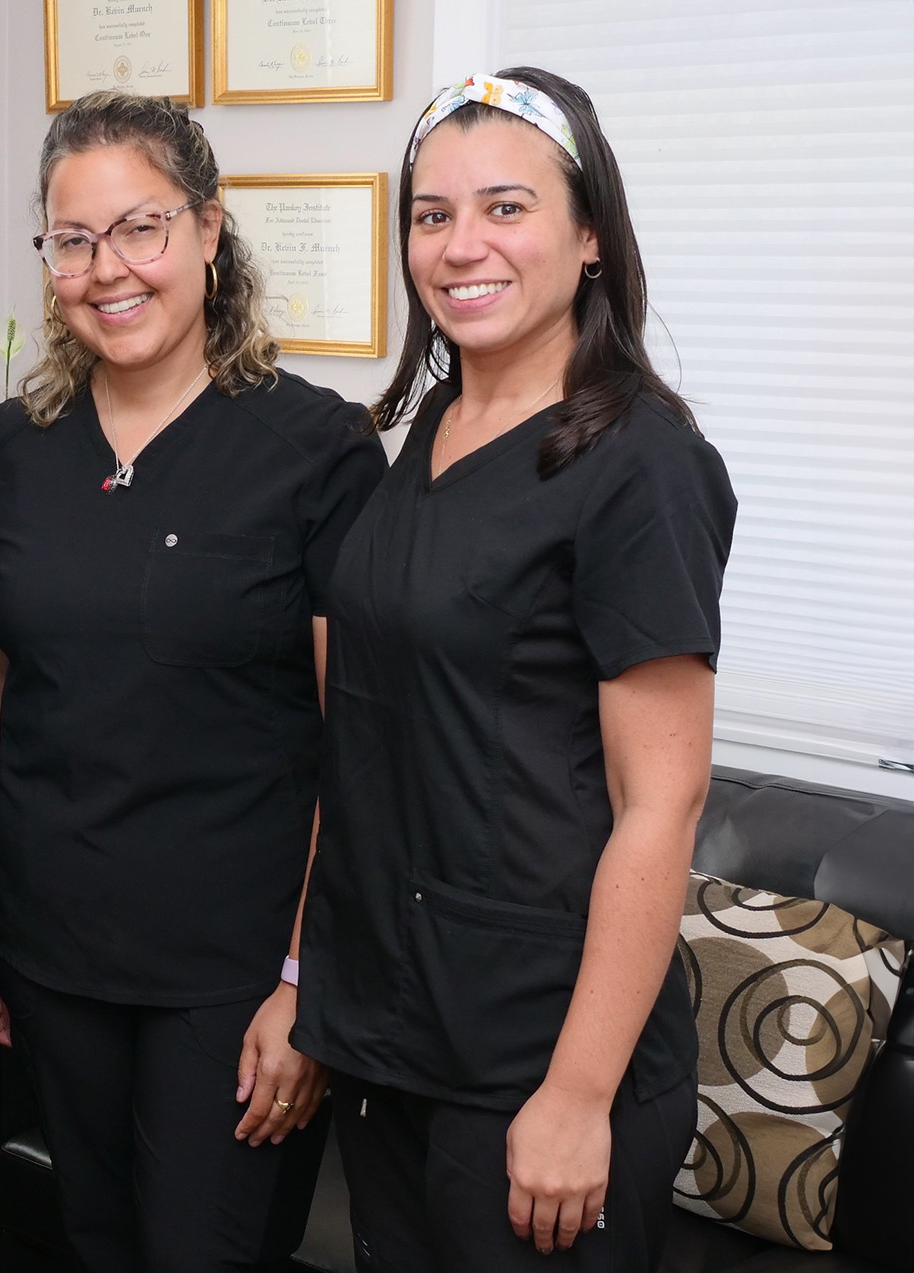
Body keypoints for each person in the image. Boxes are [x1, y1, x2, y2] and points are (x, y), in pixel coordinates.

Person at [289, 69, 738, 1270]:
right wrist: (312, 988)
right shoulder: (422, 436)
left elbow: (664, 802)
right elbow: (371, 741)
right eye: (431, 216)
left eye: (505, 207)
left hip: (535, 1060)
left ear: (589, 234)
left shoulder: (639, 463)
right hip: (394, 1036)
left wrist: (577, 1093)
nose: (459, 245)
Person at [0, 91, 385, 1271]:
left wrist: (308, 980)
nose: (108, 269)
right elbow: (3, 697)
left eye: (140, 228)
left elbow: (355, 741)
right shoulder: (11, 450)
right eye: (72, 239)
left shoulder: (315, 449)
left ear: (209, 230)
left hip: (237, 974)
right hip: (56, 955)